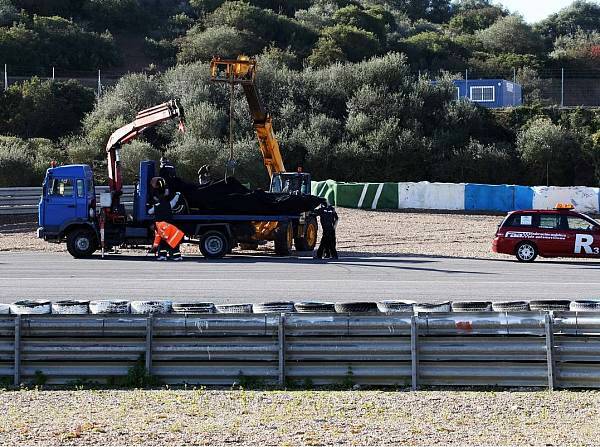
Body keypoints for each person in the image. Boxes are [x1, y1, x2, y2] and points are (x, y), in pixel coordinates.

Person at [148, 179, 184, 261]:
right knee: (172, 241)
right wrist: (177, 195)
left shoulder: (156, 206)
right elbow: (174, 201)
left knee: (162, 242)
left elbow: (149, 212)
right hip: (169, 226)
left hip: (161, 227)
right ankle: (177, 256)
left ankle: (162, 256)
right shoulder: (169, 204)